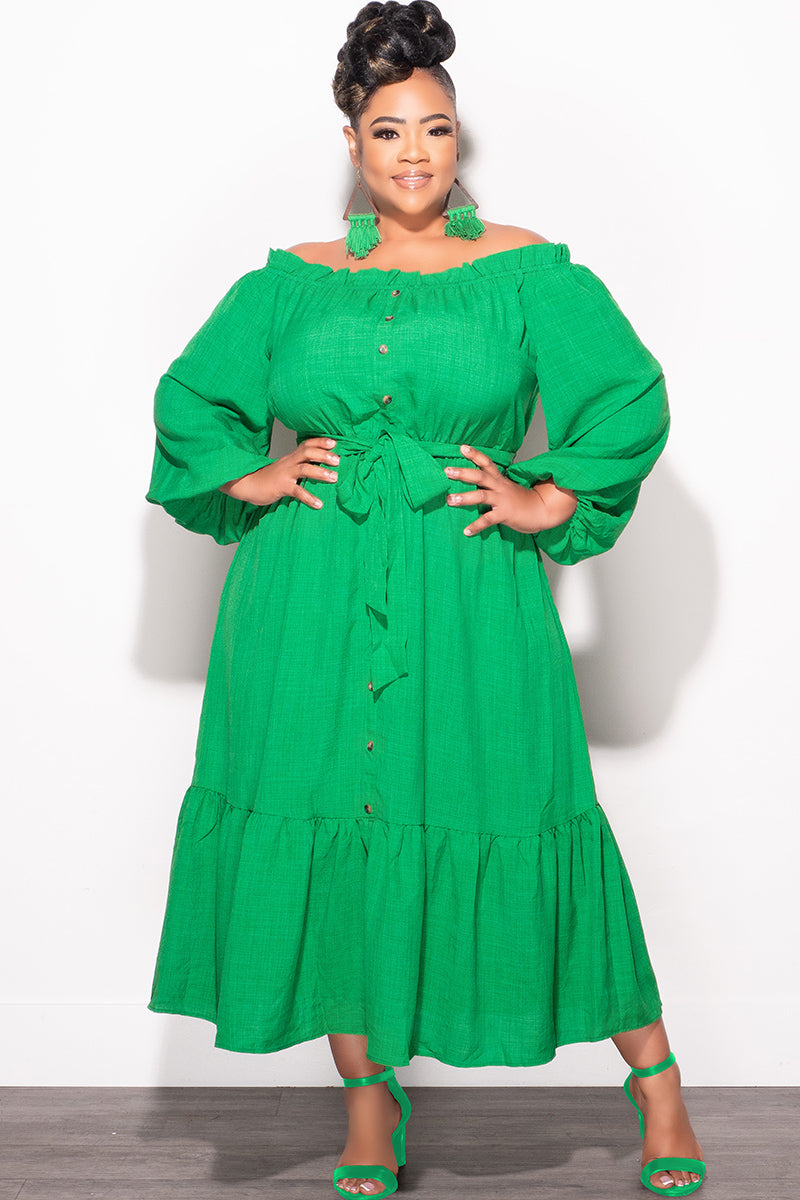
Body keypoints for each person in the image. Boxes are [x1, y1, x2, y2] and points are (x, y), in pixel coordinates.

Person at [144, 2, 706, 1196]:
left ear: (458, 142)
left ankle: (656, 1084)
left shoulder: (523, 270)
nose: (413, 152)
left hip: (470, 593)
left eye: (435, 130)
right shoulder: (289, 283)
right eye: (389, 130)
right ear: (351, 142)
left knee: (525, 809)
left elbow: (627, 397)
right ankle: (367, 1107)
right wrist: (252, 475)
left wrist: (548, 498)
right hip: (301, 603)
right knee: (331, 830)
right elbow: (190, 399)